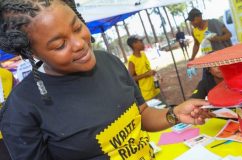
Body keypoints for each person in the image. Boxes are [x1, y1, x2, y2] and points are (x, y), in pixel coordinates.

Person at [0, 0, 213, 159]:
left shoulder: (108, 61)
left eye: (76, 28)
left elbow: (142, 115)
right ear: (31, 52)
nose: (79, 44)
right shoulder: (21, 109)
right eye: (59, 45)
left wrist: (174, 114)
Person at [186, 8, 232, 81]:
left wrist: (217, 38)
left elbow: (229, 34)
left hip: (221, 58)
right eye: (190, 21)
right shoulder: (194, 31)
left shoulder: (214, 23)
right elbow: (196, 44)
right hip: (208, 61)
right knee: (211, 81)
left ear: (200, 17)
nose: (192, 23)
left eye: (193, 20)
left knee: (227, 77)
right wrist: (192, 57)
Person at [127, 35, 161, 101]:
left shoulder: (143, 54)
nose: (143, 43)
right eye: (141, 41)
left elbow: (147, 69)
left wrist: (154, 73)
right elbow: (131, 79)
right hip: (146, 95)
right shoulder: (132, 60)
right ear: (134, 45)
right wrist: (146, 74)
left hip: (155, 89)